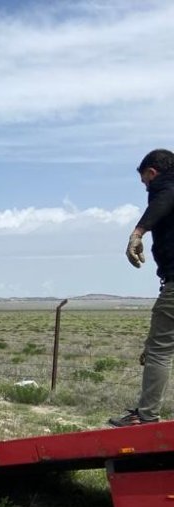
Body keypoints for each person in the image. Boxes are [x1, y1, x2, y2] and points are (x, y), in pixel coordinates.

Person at [109, 148, 174, 426]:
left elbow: (165, 198)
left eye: (146, 182)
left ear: (152, 173)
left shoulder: (167, 187)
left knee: (159, 349)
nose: (147, 187)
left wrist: (138, 233)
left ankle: (146, 417)